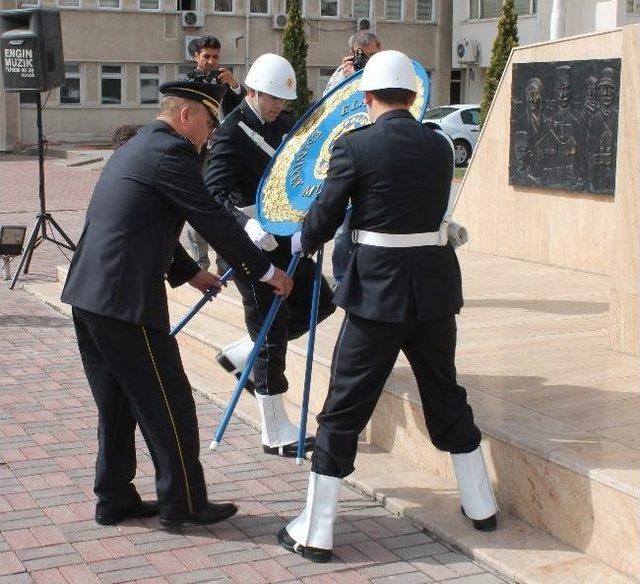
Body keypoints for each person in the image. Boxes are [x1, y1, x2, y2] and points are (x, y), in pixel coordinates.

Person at [278, 50, 498, 563]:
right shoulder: (441, 145)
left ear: (366, 96)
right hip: (434, 294)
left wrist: (299, 241)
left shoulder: (355, 147)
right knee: (444, 391)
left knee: (345, 405)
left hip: (377, 297)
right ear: (413, 95)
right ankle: (480, 503)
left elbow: (327, 213)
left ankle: (317, 531)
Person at [61, 80, 293, 530]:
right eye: (207, 124)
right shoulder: (173, 153)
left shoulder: (139, 146)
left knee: (118, 404)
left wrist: (188, 272)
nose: (209, 135)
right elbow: (210, 216)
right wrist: (267, 271)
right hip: (124, 303)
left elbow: (144, 218)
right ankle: (182, 503)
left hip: (90, 296)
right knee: (171, 403)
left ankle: (114, 498)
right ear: (186, 117)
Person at [205, 53, 336, 457]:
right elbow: (213, 194)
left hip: (285, 243)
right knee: (270, 337)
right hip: (247, 250)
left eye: (283, 100)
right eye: (273, 98)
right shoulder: (230, 133)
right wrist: (246, 226)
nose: (279, 106)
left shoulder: (280, 125)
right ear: (252, 90)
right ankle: (274, 432)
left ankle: (242, 353)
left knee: (323, 301)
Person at [323, 31, 382, 287]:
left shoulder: (388, 72)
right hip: (349, 153)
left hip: (377, 152)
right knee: (343, 226)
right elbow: (325, 109)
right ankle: (342, 278)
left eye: (371, 55)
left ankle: (371, 276)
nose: (366, 61)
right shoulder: (342, 74)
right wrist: (345, 78)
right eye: (362, 56)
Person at [185, 35, 247, 270]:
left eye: (215, 57)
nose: (211, 62)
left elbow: (242, 108)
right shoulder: (189, 82)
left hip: (224, 152)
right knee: (198, 204)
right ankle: (200, 261)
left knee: (224, 205)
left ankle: (225, 262)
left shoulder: (225, 80)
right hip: (199, 151)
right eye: (206, 57)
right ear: (196, 57)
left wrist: (234, 85)